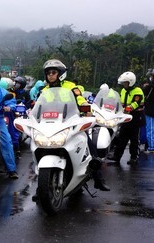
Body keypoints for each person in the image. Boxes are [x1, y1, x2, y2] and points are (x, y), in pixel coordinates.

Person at [38, 59, 110, 192]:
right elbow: (38, 106)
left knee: (88, 144)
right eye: (48, 73)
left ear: (60, 74)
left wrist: (86, 108)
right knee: (40, 147)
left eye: (53, 72)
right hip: (50, 124)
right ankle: (41, 187)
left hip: (71, 122)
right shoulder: (44, 90)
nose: (50, 75)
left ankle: (98, 179)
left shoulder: (71, 86)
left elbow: (80, 99)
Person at [108, 71, 145, 165]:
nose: (124, 85)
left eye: (125, 83)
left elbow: (136, 103)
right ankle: (116, 156)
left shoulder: (138, 91)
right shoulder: (123, 90)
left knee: (134, 139)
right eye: (123, 83)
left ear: (131, 82)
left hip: (135, 117)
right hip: (125, 118)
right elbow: (119, 101)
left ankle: (134, 157)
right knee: (122, 138)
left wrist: (128, 108)